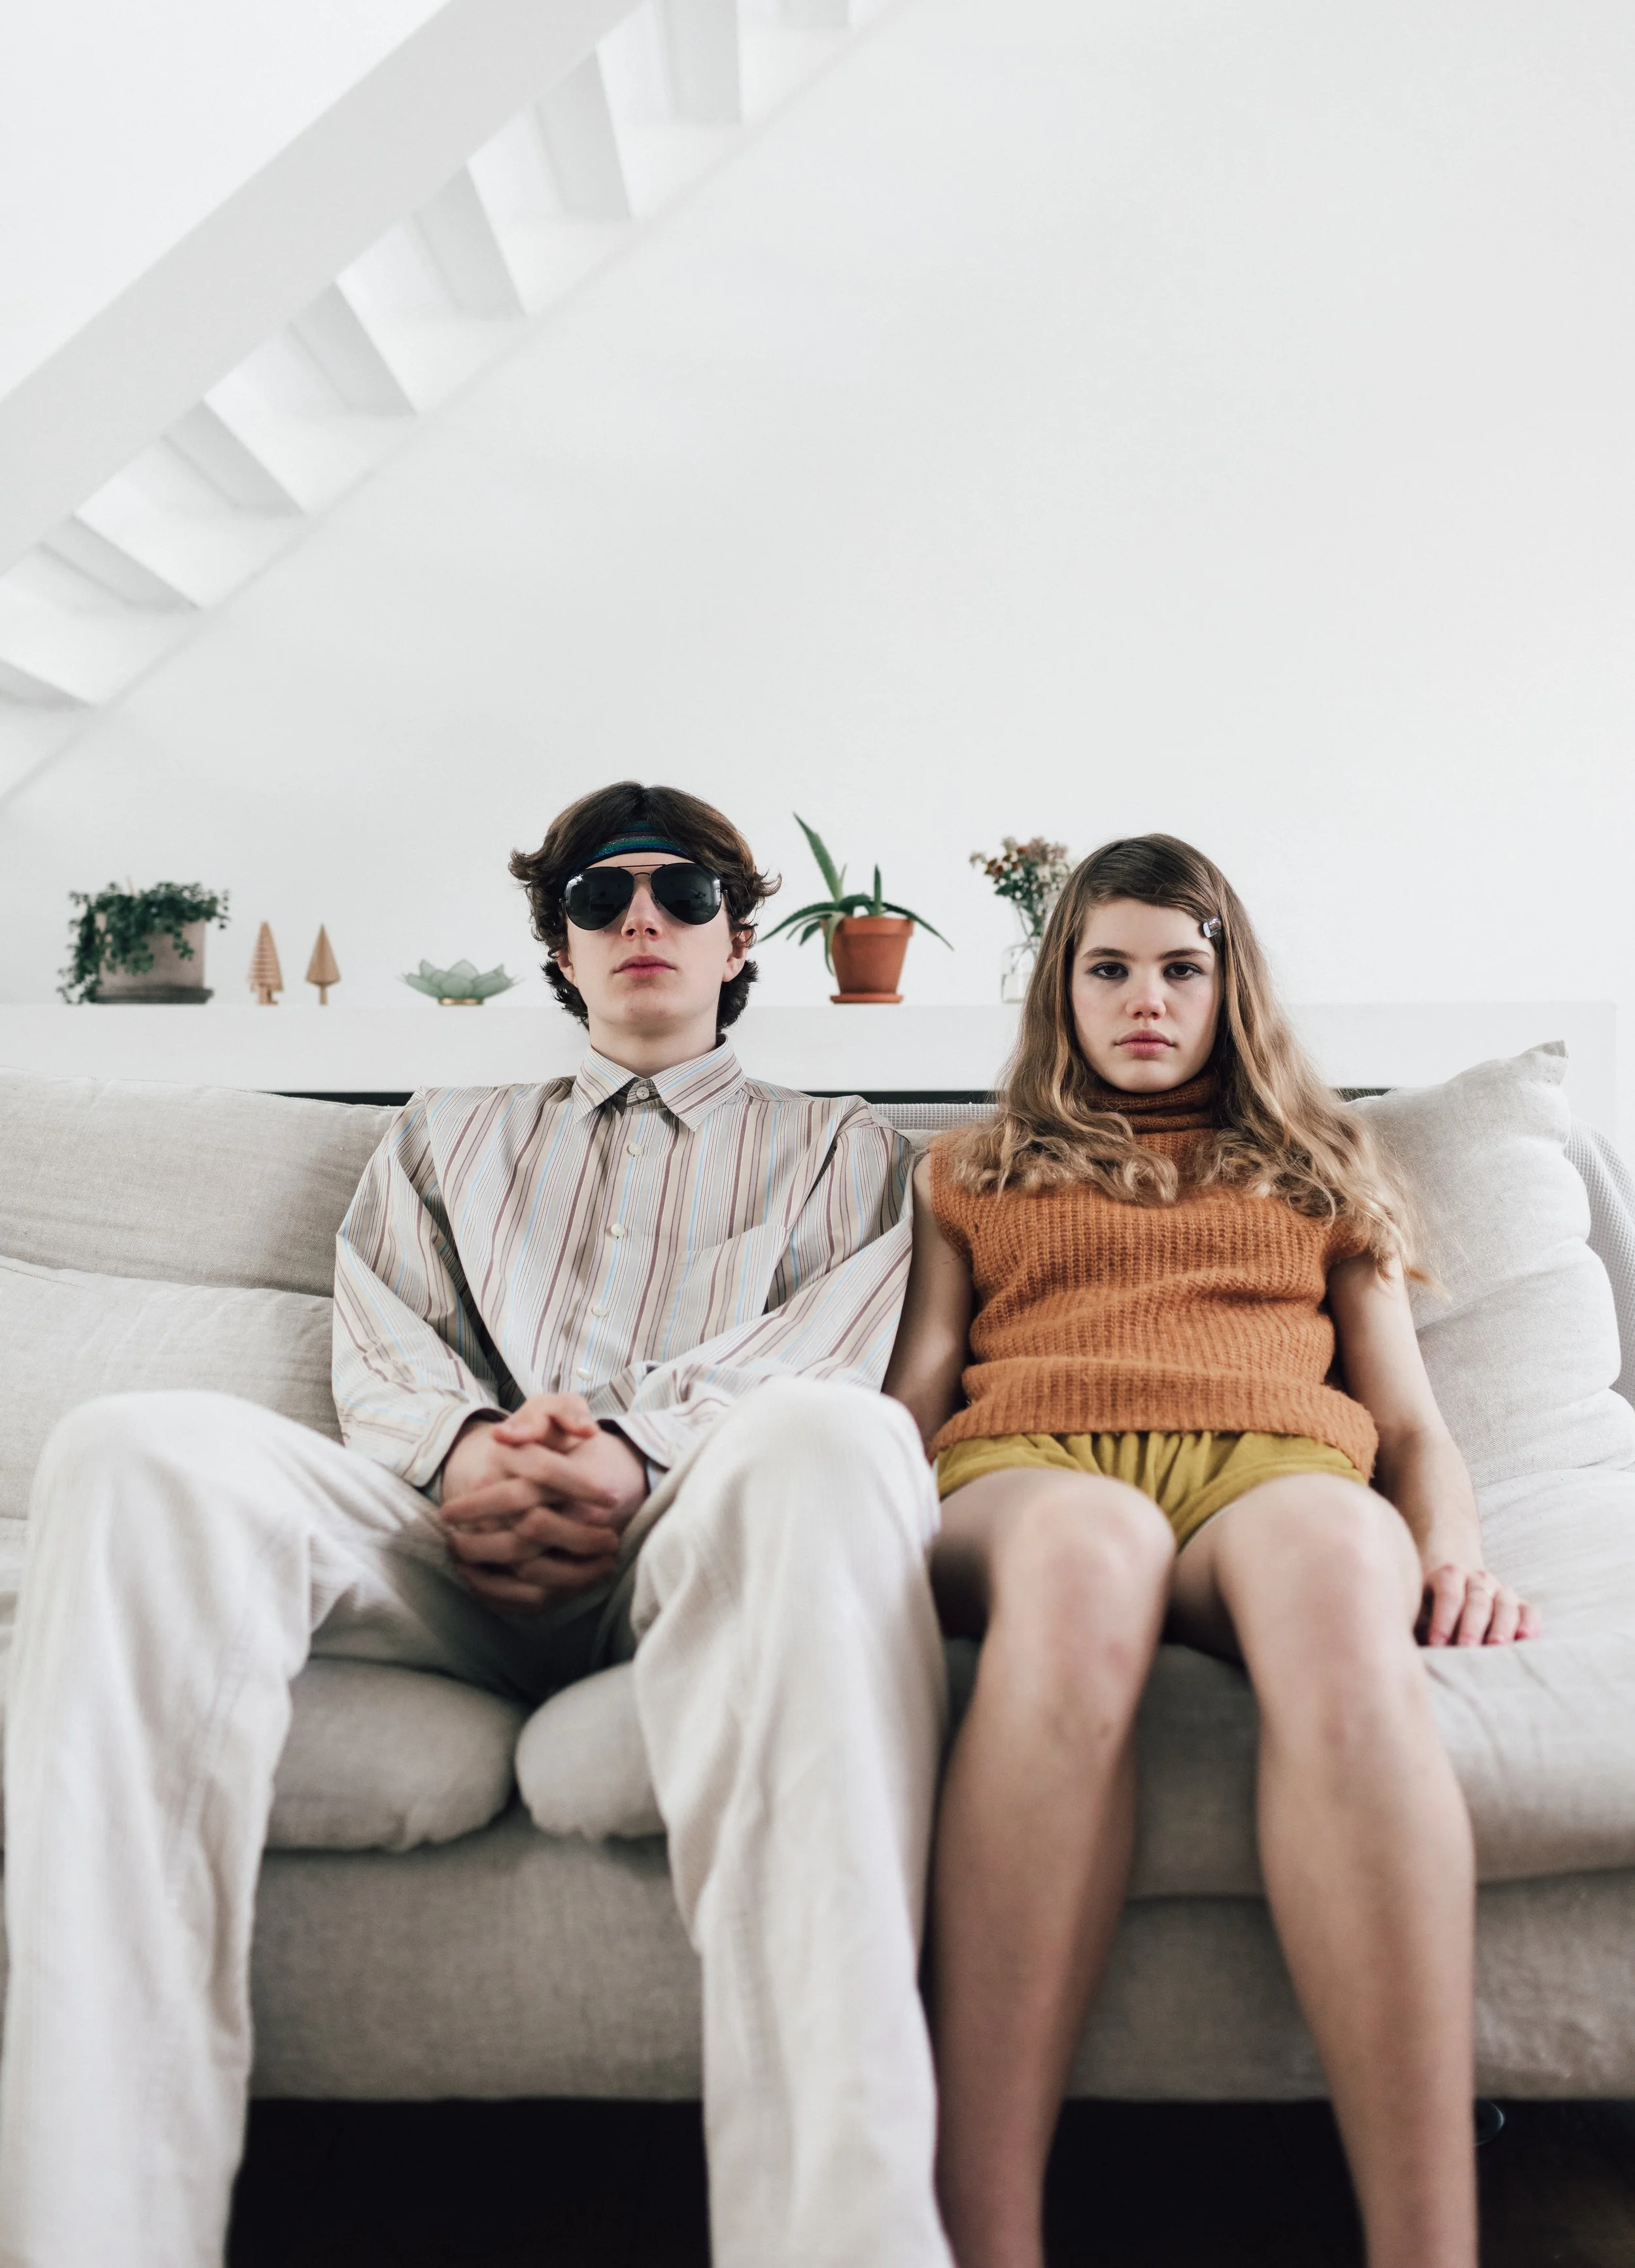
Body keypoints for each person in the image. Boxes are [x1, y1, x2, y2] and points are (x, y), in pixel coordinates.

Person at [0, 782, 955, 2268]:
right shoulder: (443, 1137)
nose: (641, 917)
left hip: (693, 1544)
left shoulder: (845, 1148)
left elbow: (823, 1357)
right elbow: (386, 1354)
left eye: (686, 892)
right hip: (441, 1551)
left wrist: (625, 1454)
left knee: (841, 1441)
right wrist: (468, 1459)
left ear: (739, 938)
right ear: (561, 948)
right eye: (598, 896)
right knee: (129, 1450)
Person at [883, 832, 1540, 2268]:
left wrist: (1452, 1552)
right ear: (1060, 988)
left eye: (1180, 969)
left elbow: (1407, 1424)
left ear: (1227, 985)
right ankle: (983, 2241)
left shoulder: (1321, 1165)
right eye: (1108, 969)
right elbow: (912, 1399)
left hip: (1273, 1467)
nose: (1145, 1000)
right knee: (1093, 1555)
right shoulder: (967, 1170)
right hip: (1032, 1472)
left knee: (1338, 1576)